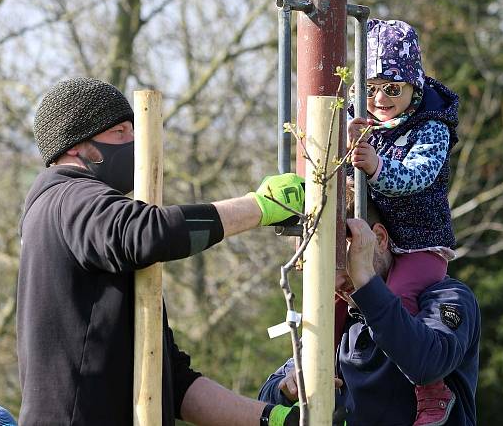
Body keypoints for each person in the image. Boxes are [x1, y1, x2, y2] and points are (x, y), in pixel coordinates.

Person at [18, 77, 305, 426]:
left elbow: (172, 383)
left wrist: (274, 420)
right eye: (121, 132)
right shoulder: (68, 199)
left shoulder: (87, 223)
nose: (135, 142)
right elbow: (149, 232)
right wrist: (260, 206)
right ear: (76, 146)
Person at [259, 190, 480, 425]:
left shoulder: (446, 296)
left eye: (342, 262)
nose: (335, 283)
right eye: (322, 270)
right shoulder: (338, 319)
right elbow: (267, 394)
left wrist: (365, 280)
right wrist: (286, 389)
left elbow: (427, 364)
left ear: (380, 239)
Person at [346, 19, 460, 424]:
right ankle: (319, 369)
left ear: (415, 87)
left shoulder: (431, 127)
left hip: (420, 244)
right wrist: (346, 145)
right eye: (371, 88)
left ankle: (433, 392)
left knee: (398, 301)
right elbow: (340, 169)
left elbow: (416, 177)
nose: (381, 99)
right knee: (344, 299)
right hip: (380, 241)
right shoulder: (361, 122)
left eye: (392, 89)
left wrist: (375, 165)